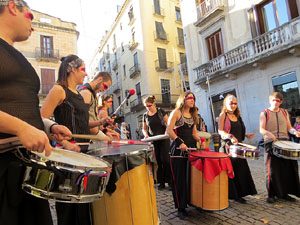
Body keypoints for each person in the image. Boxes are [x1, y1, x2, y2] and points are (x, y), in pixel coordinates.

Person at [0, 1, 71, 224]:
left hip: (26, 171)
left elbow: (25, 109)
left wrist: (49, 127)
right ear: (13, 6)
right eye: (30, 16)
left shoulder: (14, 54)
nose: (33, 26)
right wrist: (21, 128)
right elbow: (20, 122)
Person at [40, 55, 92, 225]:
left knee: (83, 208)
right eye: (83, 69)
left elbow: (82, 125)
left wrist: (104, 137)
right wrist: (66, 144)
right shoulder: (59, 90)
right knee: (68, 210)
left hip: (84, 155)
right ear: (72, 69)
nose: (86, 74)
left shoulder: (78, 94)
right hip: (68, 157)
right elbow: (41, 120)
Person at [166, 91, 204, 220]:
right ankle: (180, 208)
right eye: (189, 98)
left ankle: (191, 202)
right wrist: (179, 142)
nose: (192, 100)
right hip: (177, 152)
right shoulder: (176, 112)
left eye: (193, 98)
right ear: (183, 99)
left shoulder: (193, 115)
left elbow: (194, 133)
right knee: (180, 180)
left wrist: (200, 140)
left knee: (191, 179)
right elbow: (169, 130)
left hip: (192, 151)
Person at [259, 92, 300, 203]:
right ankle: (271, 194)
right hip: (270, 143)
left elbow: (289, 127)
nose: (275, 102)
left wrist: (295, 132)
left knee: (286, 168)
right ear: (270, 100)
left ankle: (284, 193)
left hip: (285, 141)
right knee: (272, 170)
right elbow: (261, 129)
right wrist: (269, 134)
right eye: (273, 100)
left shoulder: (284, 112)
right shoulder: (264, 113)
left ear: (281, 102)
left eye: (278, 100)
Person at [218, 94, 257, 203]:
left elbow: (238, 130)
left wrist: (246, 135)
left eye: (235, 103)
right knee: (231, 172)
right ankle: (233, 195)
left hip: (238, 147)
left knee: (241, 171)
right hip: (227, 148)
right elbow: (220, 131)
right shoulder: (223, 115)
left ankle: (240, 193)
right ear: (226, 103)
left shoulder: (237, 115)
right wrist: (230, 136)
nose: (233, 105)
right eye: (231, 103)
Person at [142, 95, 172, 190]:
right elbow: (144, 128)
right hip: (154, 140)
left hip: (164, 138)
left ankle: (170, 182)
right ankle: (161, 182)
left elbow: (168, 123)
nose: (148, 107)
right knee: (158, 161)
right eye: (146, 106)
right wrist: (146, 134)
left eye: (149, 105)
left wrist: (167, 131)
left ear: (153, 104)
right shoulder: (145, 115)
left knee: (166, 160)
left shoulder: (161, 111)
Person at [78, 71, 113, 141]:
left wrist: (106, 132)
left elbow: (94, 119)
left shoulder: (92, 94)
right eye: (105, 86)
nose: (104, 90)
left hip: (90, 140)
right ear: (99, 79)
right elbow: (82, 122)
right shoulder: (85, 93)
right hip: (83, 141)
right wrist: (103, 137)